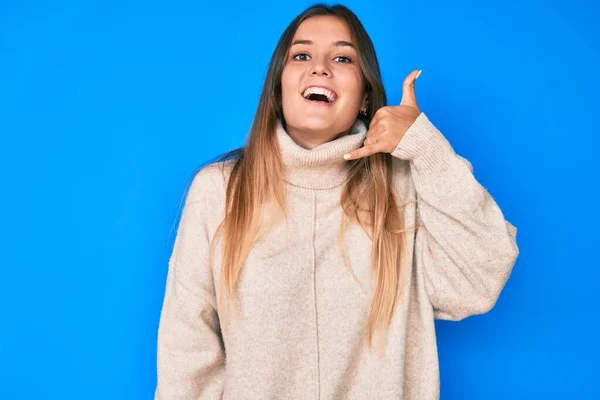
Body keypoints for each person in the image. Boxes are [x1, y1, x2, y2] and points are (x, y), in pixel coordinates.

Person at [154, 3, 519, 399]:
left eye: (342, 57)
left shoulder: (404, 187)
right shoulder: (220, 191)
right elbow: (186, 351)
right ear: (278, 86)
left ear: (365, 96)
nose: (320, 67)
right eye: (302, 55)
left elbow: (477, 284)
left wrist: (426, 149)